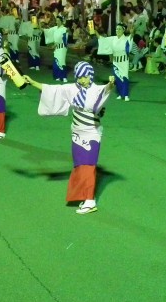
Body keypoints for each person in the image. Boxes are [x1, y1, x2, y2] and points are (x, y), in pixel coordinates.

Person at [24, 62, 115, 214]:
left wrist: (111, 83)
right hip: (77, 132)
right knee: (80, 165)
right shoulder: (72, 88)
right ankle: (84, 196)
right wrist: (33, 82)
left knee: (88, 166)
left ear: (90, 76)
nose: (81, 80)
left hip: (91, 133)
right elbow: (51, 90)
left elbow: (106, 90)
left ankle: (90, 201)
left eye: (84, 77)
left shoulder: (96, 90)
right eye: (79, 77)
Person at [97, 23, 132, 100]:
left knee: (125, 77)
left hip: (124, 61)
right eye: (117, 29)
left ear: (123, 30)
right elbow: (102, 40)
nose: (118, 30)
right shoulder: (113, 39)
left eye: (119, 29)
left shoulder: (126, 39)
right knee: (117, 78)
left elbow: (130, 39)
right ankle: (119, 94)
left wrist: (132, 31)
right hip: (116, 62)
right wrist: (95, 32)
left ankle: (126, 95)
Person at [44, 15, 68, 82]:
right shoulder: (55, 28)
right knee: (56, 62)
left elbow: (64, 39)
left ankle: (63, 77)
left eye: (58, 20)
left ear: (61, 21)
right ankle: (57, 76)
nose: (57, 21)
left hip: (62, 48)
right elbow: (48, 31)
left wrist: (56, 44)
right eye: (56, 20)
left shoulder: (64, 29)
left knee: (62, 62)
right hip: (56, 49)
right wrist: (41, 28)